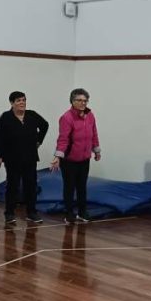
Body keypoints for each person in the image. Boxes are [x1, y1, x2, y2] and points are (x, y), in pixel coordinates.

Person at [0, 91, 49, 225]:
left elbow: (45, 125)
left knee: (31, 185)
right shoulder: (5, 117)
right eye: (18, 100)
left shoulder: (32, 115)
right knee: (13, 186)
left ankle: (31, 212)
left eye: (23, 100)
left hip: (30, 157)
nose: (22, 103)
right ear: (12, 103)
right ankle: (9, 213)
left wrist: (39, 140)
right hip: (12, 158)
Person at [50, 87, 101, 224]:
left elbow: (94, 134)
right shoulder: (66, 118)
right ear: (72, 101)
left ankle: (82, 212)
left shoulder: (90, 115)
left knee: (82, 186)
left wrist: (96, 150)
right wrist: (58, 156)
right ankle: (69, 213)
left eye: (85, 100)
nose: (83, 103)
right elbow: (63, 139)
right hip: (70, 159)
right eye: (79, 100)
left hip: (84, 158)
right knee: (69, 187)